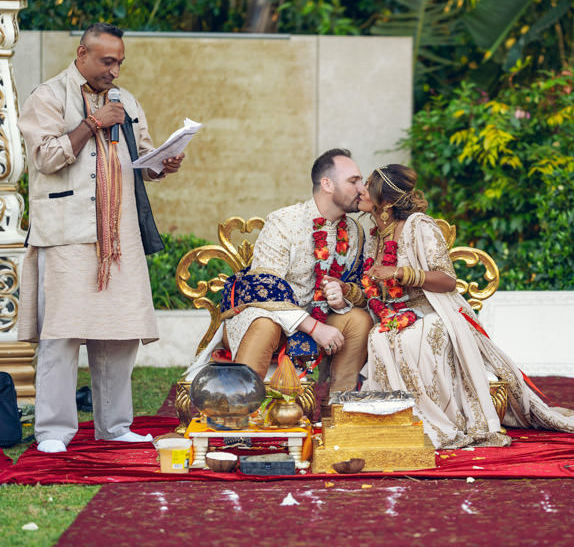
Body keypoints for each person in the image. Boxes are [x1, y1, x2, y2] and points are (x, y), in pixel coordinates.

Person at [17, 23, 185, 453]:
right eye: (107, 62)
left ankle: (114, 426)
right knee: (61, 336)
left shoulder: (125, 100)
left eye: (119, 63)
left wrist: (162, 164)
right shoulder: (48, 96)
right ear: (82, 54)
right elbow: (44, 157)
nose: (115, 71)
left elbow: (141, 156)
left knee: (119, 333)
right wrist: (92, 123)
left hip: (120, 236)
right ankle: (53, 431)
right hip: (67, 235)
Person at [349, 163, 574, 449]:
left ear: (386, 200)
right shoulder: (373, 236)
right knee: (378, 337)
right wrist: (348, 292)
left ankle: (434, 421)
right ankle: (395, 417)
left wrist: (401, 273)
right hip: (394, 315)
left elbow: (447, 280)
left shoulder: (419, 225)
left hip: (434, 311)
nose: (362, 189)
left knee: (409, 339)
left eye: (368, 184)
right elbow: (374, 289)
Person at [211, 149, 373, 395]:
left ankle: (339, 406)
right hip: (266, 318)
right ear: (327, 184)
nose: (362, 189)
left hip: (321, 316)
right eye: (354, 181)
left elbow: (360, 288)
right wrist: (314, 328)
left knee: (359, 320)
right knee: (265, 323)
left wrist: (342, 296)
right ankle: (241, 407)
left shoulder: (354, 231)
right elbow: (265, 290)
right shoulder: (284, 221)